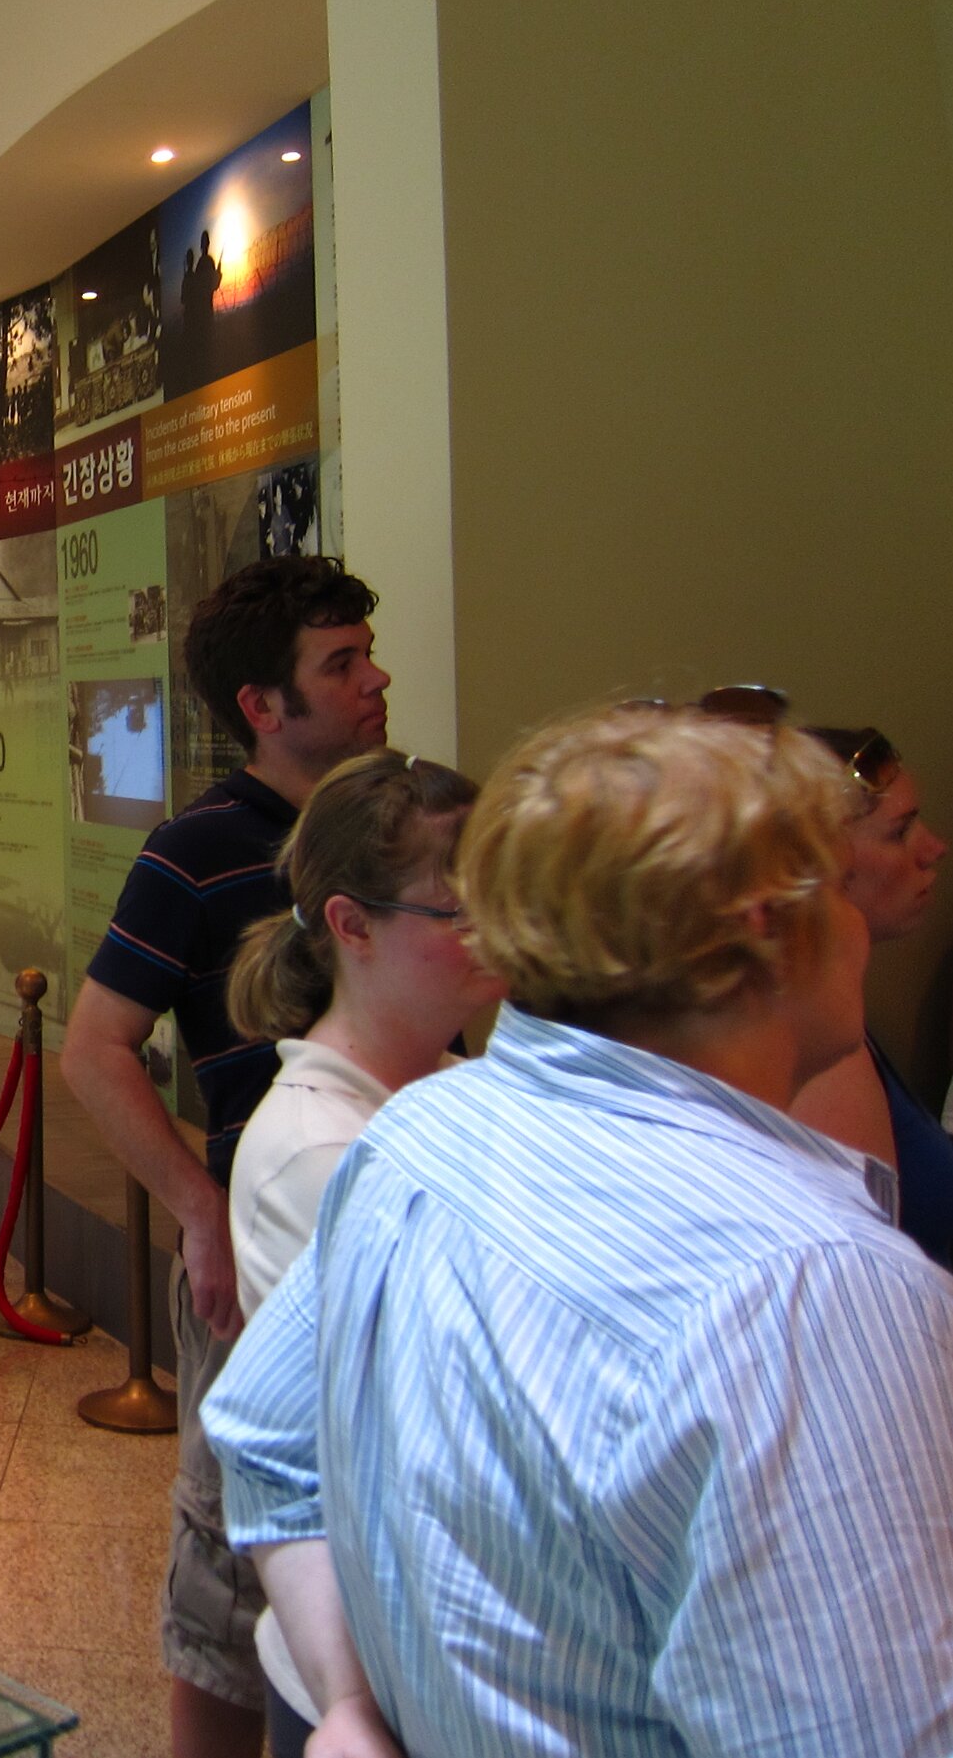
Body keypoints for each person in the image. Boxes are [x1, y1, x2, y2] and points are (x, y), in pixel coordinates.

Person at [204, 703, 953, 1756]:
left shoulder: (420, 1134)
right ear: (762, 927)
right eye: (833, 883)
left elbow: (264, 1441)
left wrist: (352, 1708)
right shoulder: (808, 1287)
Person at [59, 554, 388, 1757]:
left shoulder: (389, 831)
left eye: (368, 655)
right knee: (233, 1563)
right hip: (260, 1259)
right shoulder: (194, 849)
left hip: (386, 1232)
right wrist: (200, 1209)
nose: (375, 680)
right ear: (262, 704)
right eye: (339, 665)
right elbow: (95, 1047)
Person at [218, 749, 498, 1753]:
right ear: (351, 924)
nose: (492, 933)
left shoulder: (447, 1090)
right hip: (367, 1671)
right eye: (456, 909)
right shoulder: (318, 1152)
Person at [788, 723, 953, 1271]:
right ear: (820, 865)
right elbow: (858, 1274)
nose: (934, 849)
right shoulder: (821, 1053)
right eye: (899, 832)